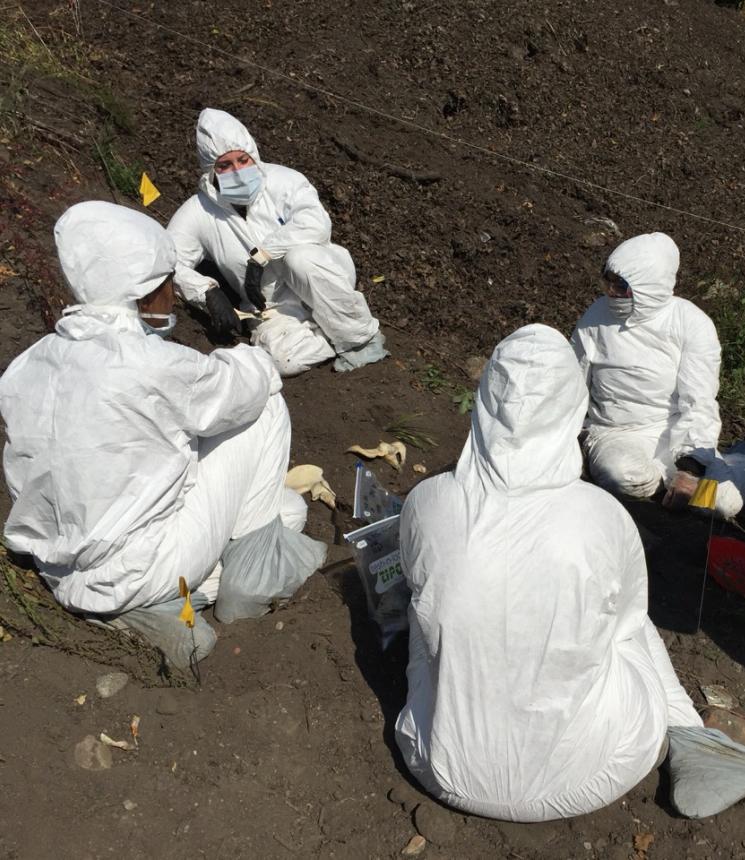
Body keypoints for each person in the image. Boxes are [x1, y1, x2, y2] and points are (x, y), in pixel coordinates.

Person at [394, 324, 709, 821]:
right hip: (595, 773)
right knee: (633, 628)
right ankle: (691, 735)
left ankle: (691, 738)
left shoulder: (427, 503)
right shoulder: (604, 516)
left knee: (420, 608)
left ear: (484, 400)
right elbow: (627, 622)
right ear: (572, 410)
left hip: (442, 769)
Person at [0, 201, 326, 667]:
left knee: (286, 507)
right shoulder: (147, 365)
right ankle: (250, 579)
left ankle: (156, 606)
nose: (172, 293)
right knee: (267, 406)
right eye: (166, 282)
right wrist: (249, 351)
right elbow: (244, 389)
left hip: (59, 566)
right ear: (143, 292)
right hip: (143, 564)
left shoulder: (26, 365)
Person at [167, 107, 385, 377]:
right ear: (210, 170)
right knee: (283, 362)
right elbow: (168, 261)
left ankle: (359, 339)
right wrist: (206, 291)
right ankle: (329, 330)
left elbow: (316, 222)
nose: (237, 171)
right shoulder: (199, 212)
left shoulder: (285, 181)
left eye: (242, 160)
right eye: (225, 165)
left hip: (320, 276)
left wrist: (264, 254)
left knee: (300, 259)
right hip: (270, 307)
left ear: (253, 156)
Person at [571, 233, 741, 513]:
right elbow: (573, 381)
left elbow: (698, 400)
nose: (612, 293)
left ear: (649, 286)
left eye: (622, 286)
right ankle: (662, 484)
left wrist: (689, 471)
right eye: (608, 282)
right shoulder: (597, 316)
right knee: (623, 477)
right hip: (617, 432)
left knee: (722, 504)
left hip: (675, 435)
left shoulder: (691, 323)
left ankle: (738, 465)